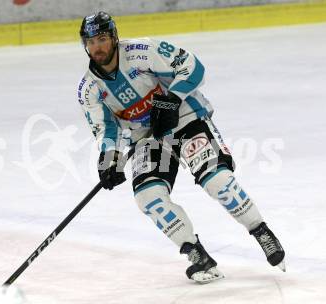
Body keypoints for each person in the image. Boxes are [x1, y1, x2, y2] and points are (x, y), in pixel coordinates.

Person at [76, 11, 285, 283]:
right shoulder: (89, 89)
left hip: (185, 117)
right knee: (147, 197)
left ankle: (260, 231)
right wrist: (109, 158)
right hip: (146, 138)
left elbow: (193, 66)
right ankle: (196, 254)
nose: (96, 47)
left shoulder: (143, 51)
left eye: (102, 39)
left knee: (217, 180)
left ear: (114, 37)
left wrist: (171, 99)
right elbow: (107, 128)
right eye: (90, 42)